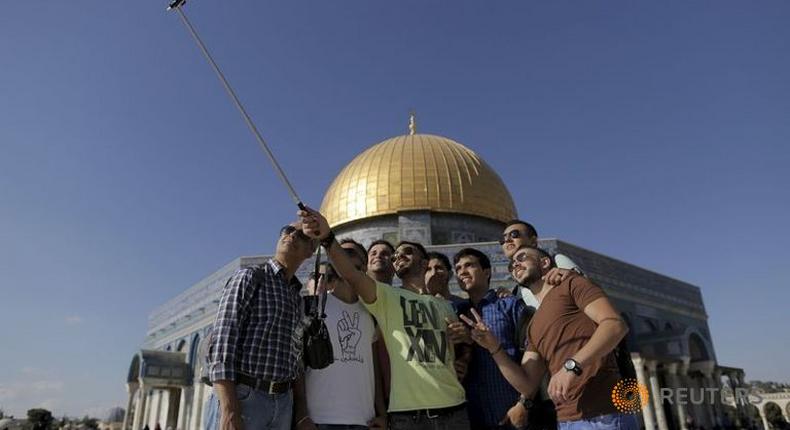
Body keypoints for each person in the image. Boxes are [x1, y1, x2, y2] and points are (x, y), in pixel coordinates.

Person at [299, 207, 471, 430]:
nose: (399, 256)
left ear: (424, 262)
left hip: (454, 408)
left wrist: (465, 341)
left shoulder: (445, 306)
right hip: (409, 416)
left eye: (407, 251)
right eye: (396, 255)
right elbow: (351, 274)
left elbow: (461, 345)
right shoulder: (386, 298)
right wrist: (328, 238)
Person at [463, 245, 637, 430]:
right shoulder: (534, 324)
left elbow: (615, 325)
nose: (515, 264)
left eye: (522, 258)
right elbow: (527, 385)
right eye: (512, 265)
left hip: (604, 414)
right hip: (566, 419)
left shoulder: (571, 284)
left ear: (544, 262)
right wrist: (494, 348)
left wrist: (572, 366)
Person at [204, 223, 318, 430]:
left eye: (300, 234)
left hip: (282, 403)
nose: (290, 235)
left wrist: (301, 412)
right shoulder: (250, 277)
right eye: (286, 230)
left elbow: (295, 359)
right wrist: (229, 409)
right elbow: (223, 341)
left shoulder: (296, 297)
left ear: (311, 250)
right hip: (245, 397)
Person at [293, 239, 387, 430]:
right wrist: (301, 413)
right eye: (341, 253)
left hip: (364, 421)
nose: (346, 257)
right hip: (320, 419)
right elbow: (296, 363)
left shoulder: (371, 313)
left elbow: (373, 368)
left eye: (353, 254)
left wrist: (382, 413)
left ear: (365, 266)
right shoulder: (310, 306)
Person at [453, 248, 526, 430]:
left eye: (469, 265)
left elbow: (534, 355)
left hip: (512, 412)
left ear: (486, 272)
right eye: (458, 268)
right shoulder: (457, 313)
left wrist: (524, 403)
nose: (462, 271)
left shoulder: (509, 305)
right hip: (474, 416)